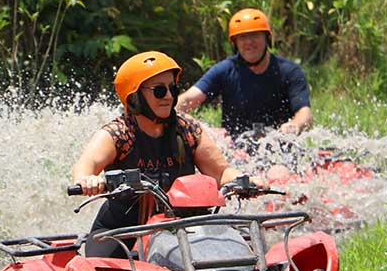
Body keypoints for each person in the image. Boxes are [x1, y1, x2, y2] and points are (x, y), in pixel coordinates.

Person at [73, 51, 262, 258]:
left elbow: (221, 172)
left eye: (172, 88)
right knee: (100, 269)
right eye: (159, 90)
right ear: (134, 96)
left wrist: (244, 180)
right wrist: (87, 180)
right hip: (122, 229)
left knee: (248, 258)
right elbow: (86, 165)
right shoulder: (118, 133)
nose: (170, 96)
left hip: (187, 225)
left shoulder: (187, 128)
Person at [176, 8, 313, 137]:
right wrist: (170, 117)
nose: (249, 42)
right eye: (242, 37)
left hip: (279, 148)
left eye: (255, 35)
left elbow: (304, 113)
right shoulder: (224, 70)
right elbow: (188, 99)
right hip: (236, 150)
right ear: (235, 43)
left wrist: (294, 125)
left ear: (267, 38)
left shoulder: (290, 71)